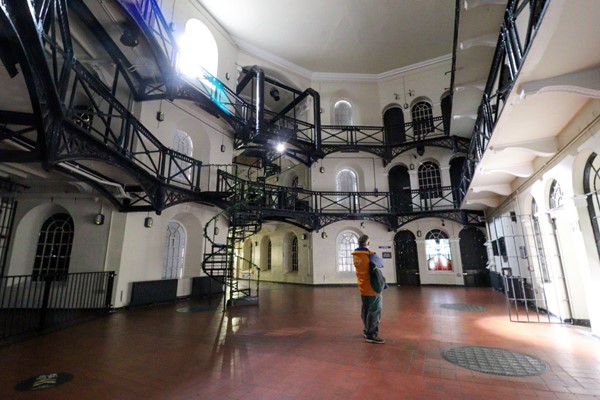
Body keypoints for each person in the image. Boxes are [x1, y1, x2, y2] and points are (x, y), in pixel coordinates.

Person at [352, 234, 385, 344]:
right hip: (373, 287)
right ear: (368, 243)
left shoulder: (356, 255)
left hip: (363, 287)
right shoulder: (370, 255)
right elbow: (381, 264)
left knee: (365, 309)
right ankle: (371, 335)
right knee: (375, 311)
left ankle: (366, 331)